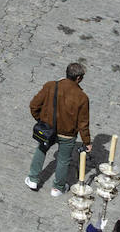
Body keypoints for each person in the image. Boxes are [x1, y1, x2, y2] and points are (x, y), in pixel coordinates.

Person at [26, 62, 91, 195]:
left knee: (41, 150)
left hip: (48, 129)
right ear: (78, 78)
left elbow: (34, 105)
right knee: (63, 160)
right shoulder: (82, 97)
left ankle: (33, 179)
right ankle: (58, 188)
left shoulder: (51, 86)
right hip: (67, 134)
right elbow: (83, 123)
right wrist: (87, 142)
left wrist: (41, 120)